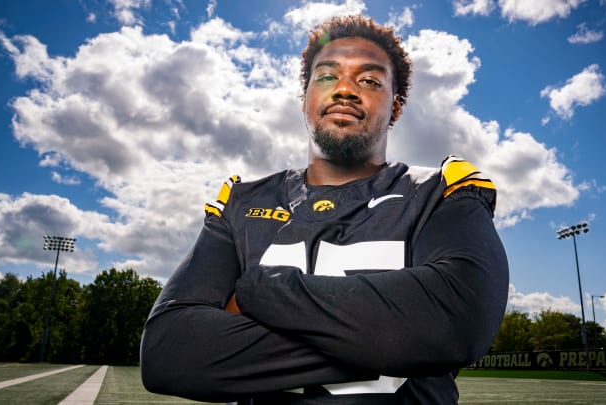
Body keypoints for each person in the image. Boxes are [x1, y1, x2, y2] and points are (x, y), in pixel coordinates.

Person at [140, 14, 508, 404]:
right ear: (305, 100)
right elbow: (170, 353)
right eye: (328, 76)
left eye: (369, 80)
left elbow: (456, 320)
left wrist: (256, 290)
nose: (346, 90)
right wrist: (398, 340)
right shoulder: (243, 202)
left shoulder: (439, 192)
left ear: (396, 108)